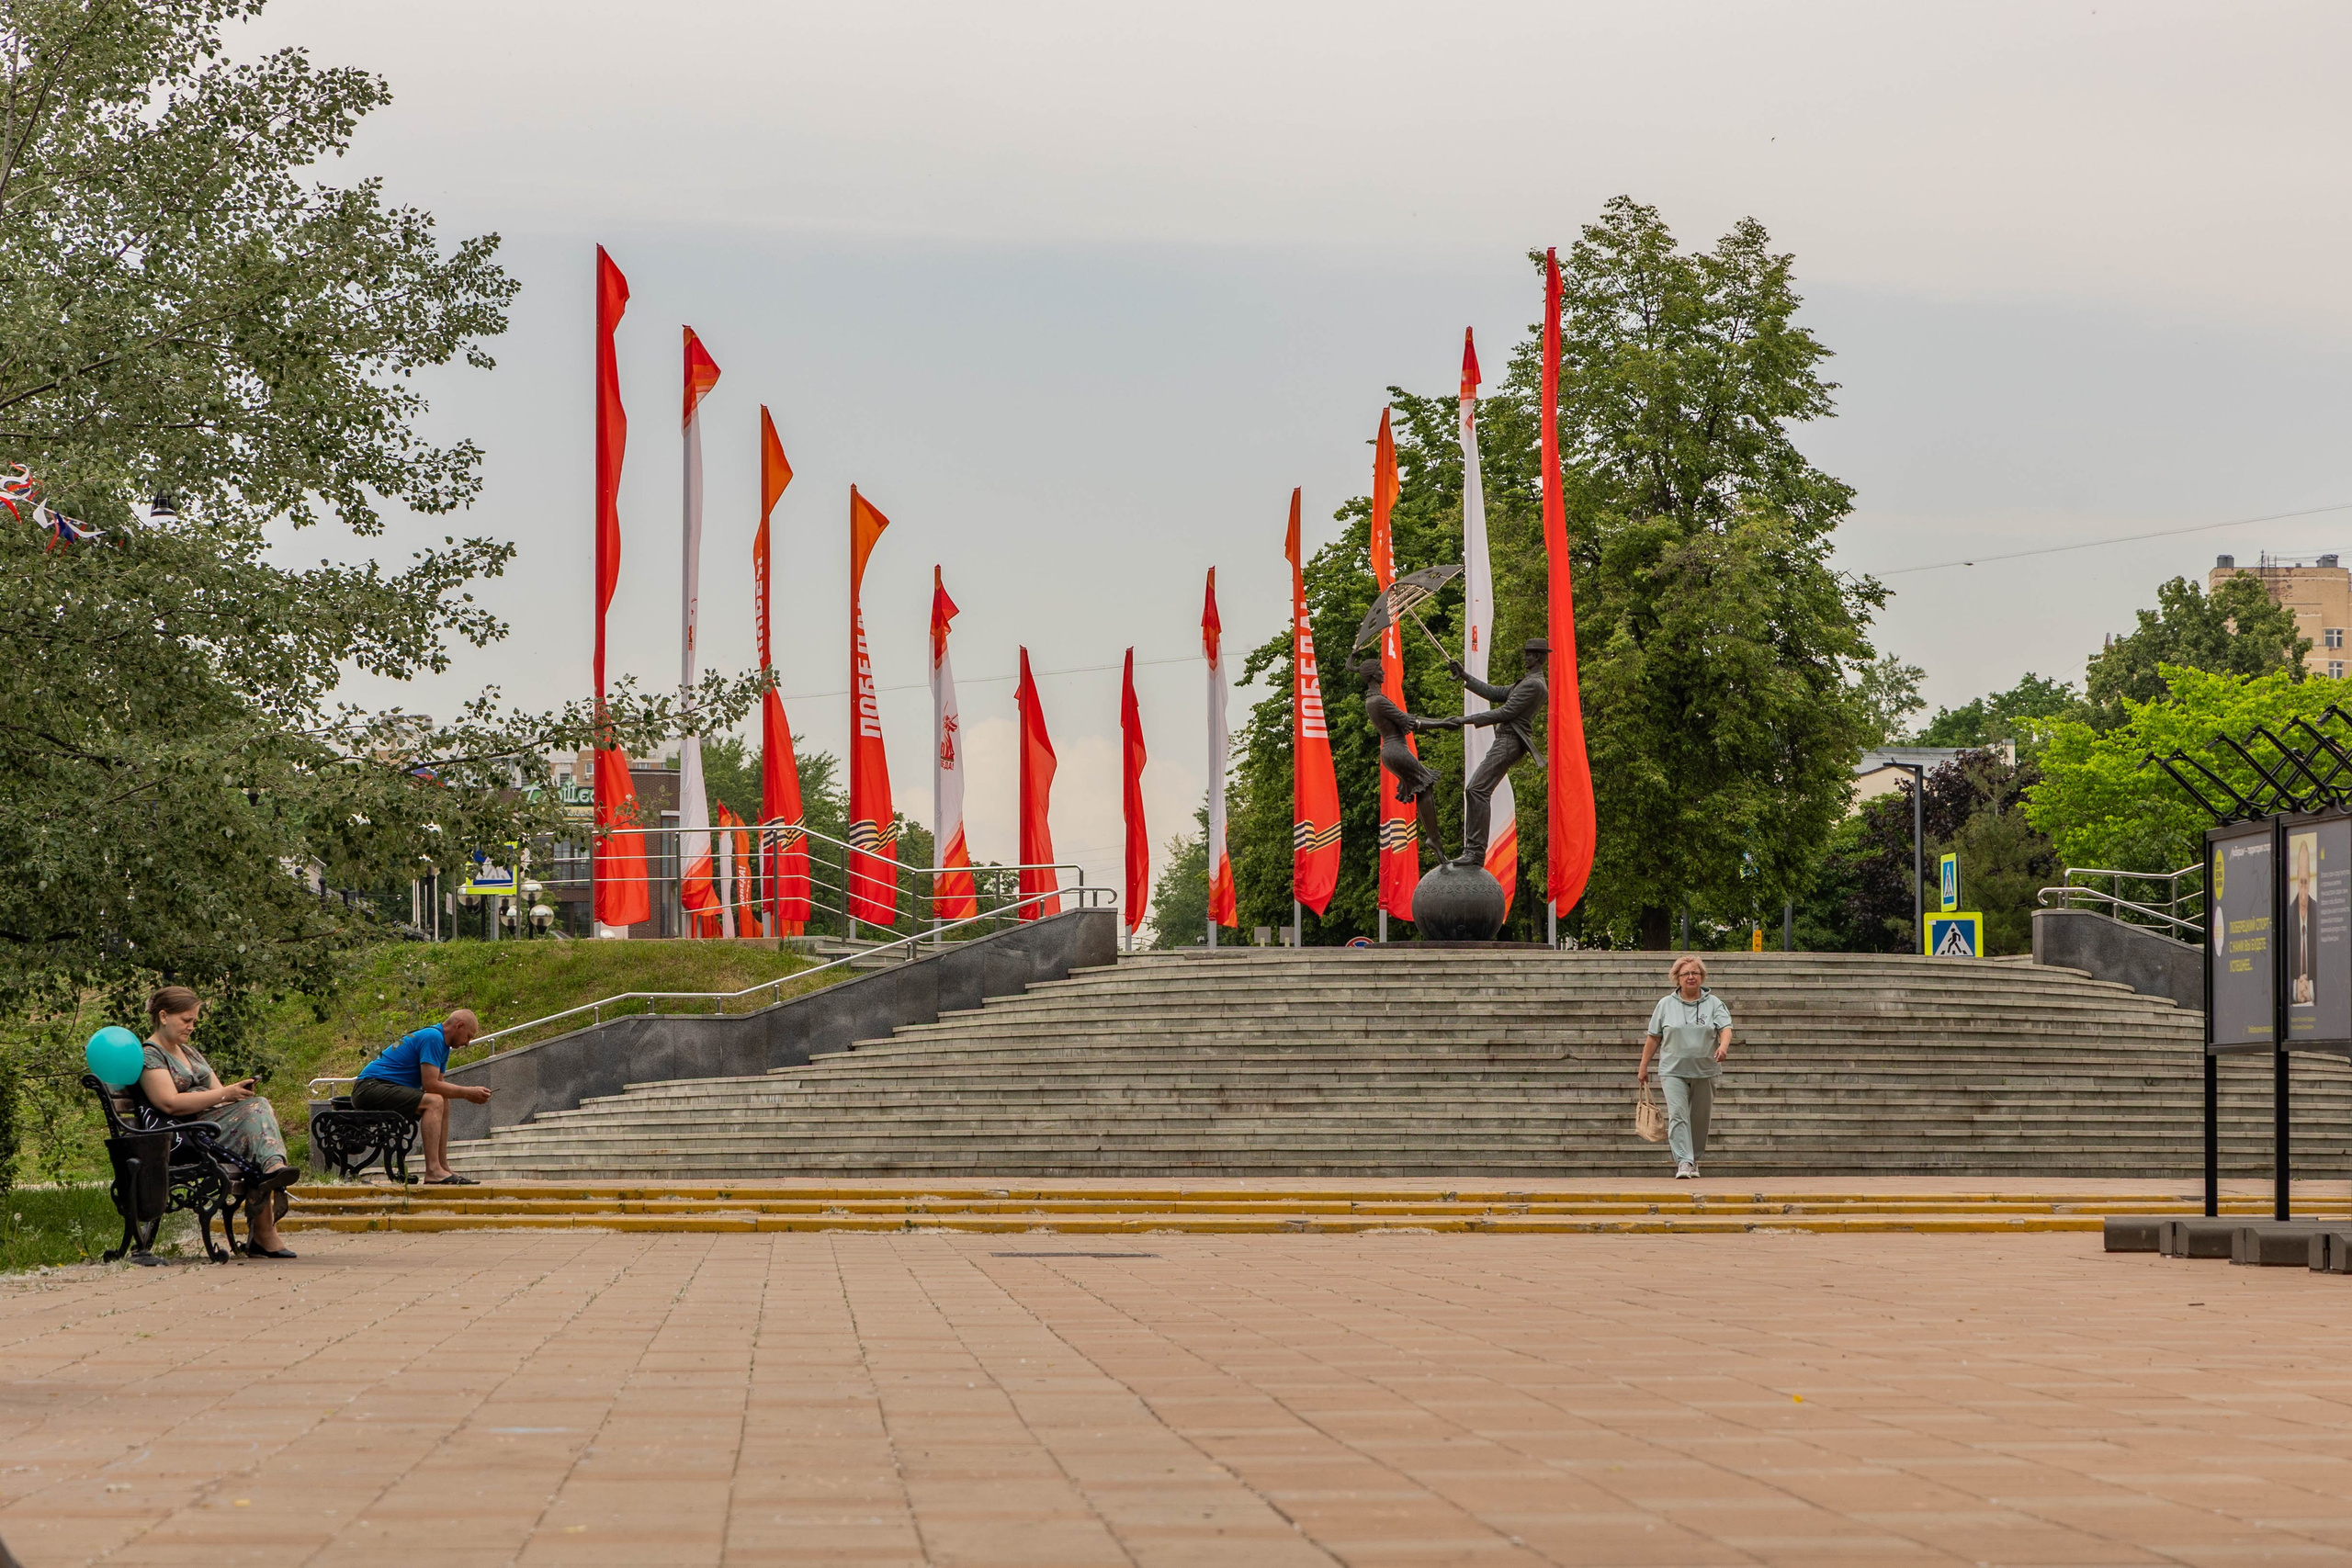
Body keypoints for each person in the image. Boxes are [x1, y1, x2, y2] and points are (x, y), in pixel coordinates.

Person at [139, 987, 300, 1258]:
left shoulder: (189, 1053)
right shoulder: (150, 1055)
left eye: (194, 1021)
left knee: (256, 1113)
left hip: (212, 1127)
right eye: (186, 1020)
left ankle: (272, 1179)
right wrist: (227, 1094)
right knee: (258, 1115)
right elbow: (169, 1102)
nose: (191, 1026)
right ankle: (266, 1220)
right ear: (164, 1016)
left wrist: (235, 1095)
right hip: (186, 1133)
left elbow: (219, 1094)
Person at [1436, 638, 1549, 868]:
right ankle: (1473, 852)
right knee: (1477, 789)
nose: (1525, 657)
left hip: (1509, 741)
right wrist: (1465, 676)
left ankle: (1475, 853)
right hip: (1506, 741)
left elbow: (1505, 712)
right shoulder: (1527, 682)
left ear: (1538, 657)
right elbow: (1494, 692)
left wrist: (1464, 720)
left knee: (1476, 789)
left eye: (1529, 654)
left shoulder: (1535, 685)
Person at [352, 1010, 492, 1185]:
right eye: (468, 1036)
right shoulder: (433, 1037)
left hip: (381, 1087)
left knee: (443, 1100)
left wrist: (467, 1093)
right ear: (459, 1026)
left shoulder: (442, 1045)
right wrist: (467, 1092)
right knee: (434, 1101)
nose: (468, 1043)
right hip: (370, 1087)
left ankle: (442, 1167)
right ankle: (433, 1170)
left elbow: (440, 1088)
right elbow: (431, 1085)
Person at [1636, 955, 1733, 1179]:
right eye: (1685, 974)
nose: (1691, 977)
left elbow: (1725, 1029)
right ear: (1677, 979)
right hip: (1673, 1071)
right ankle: (1684, 1161)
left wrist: (1724, 1047)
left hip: (1705, 1070)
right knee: (1679, 1115)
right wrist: (1643, 1067)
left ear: (1701, 977)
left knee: (1700, 1118)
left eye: (1695, 973)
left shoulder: (1714, 1004)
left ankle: (1695, 1158)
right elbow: (1653, 1038)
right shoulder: (1665, 1005)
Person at [1353, 656, 1448, 863]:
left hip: (1392, 751)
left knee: (1424, 787)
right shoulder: (1378, 701)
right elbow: (1410, 722)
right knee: (1425, 784)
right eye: (1380, 669)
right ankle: (1434, 838)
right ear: (1372, 675)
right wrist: (1444, 723)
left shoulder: (1372, 700)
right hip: (1396, 749)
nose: (1384, 672)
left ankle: (1435, 840)